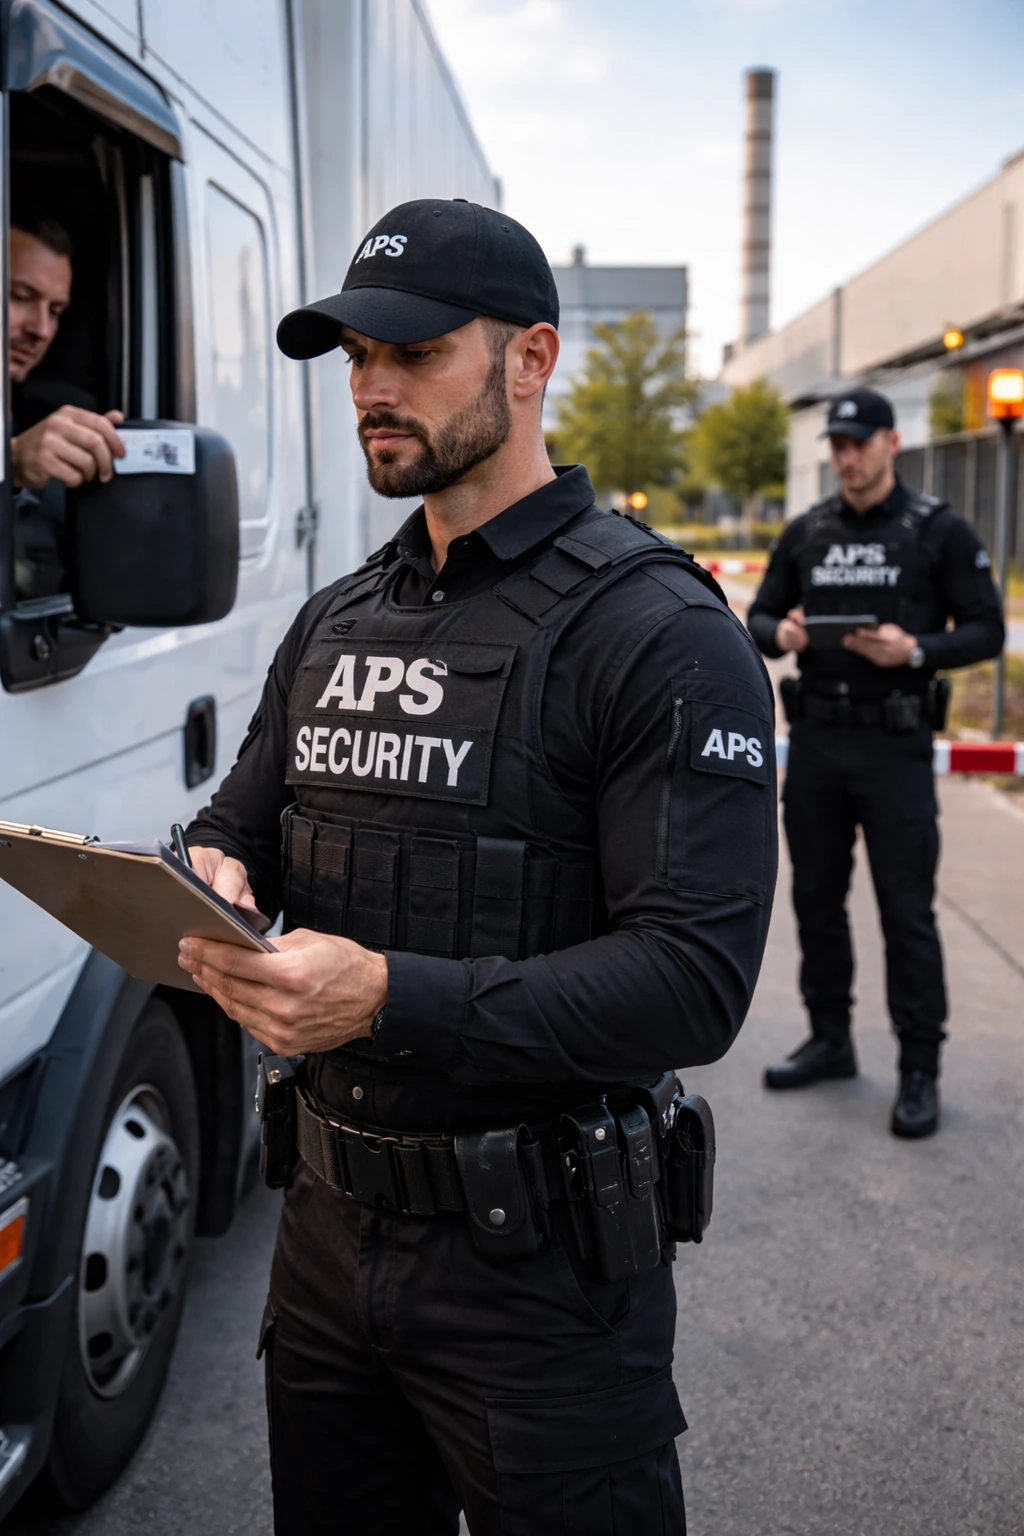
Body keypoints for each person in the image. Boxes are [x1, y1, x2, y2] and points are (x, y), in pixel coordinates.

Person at [179, 198, 777, 1536]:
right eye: (356, 358)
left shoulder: (658, 631)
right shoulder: (336, 619)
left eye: (416, 353)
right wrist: (214, 874)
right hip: (324, 1247)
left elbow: (693, 980)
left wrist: (388, 995)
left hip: (541, 1282)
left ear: (531, 360)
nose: (371, 390)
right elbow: (238, 822)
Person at [747, 387, 1004, 1138]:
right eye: (837, 444)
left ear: (892, 443)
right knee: (816, 901)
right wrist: (786, 635)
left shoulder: (937, 530)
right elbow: (760, 618)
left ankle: (919, 1068)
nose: (847, 457)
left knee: (906, 911)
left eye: (859, 443)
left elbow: (987, 628)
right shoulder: (808, 531)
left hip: (895, 749)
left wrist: (916, 651)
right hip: (819, 743)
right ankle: (830, 1040)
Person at [9, 208, 125, 599]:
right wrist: (12, 464)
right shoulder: (25, 444)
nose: (41, 329)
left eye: (55, 311)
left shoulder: (49, 412)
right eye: (19, 297)